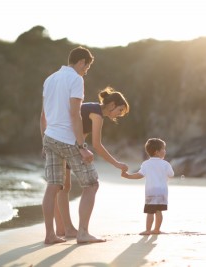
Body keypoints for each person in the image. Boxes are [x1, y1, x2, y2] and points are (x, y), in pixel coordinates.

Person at [40, 46, 104, 244]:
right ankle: (83, 233)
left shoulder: (50, 79)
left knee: (53, 186)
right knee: (92, 183)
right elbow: (75, 114)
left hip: (49, 137)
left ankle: (50, 235)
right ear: (81, 62)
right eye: (87, 67)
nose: (86, 71)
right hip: (67, 139)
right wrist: (82, 146)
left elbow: (43, 116)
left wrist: (44, 141)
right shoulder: (76, 79)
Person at [54, 87, 130, 238]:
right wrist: (117, 164)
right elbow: (97, 145)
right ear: (112, 104)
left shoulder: (91, 108)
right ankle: (81, 232)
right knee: (92, 184)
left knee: (62, 187)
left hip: (57, 141)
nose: (120, 115)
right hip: (68, 144)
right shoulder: (97, 115)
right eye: (120, 110)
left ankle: (64, 229)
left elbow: (81, 133)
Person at [121, 138, 174, 235]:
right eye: (163, 149)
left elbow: (139, 175)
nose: (165, 151)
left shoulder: (146, 164)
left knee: (150, 212)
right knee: (159, 211)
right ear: (157, 152)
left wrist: (128, 176)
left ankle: (148, 230)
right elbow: (171, 174)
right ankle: (157, 229)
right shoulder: (166, 164)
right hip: (162, 192)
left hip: (151, 192)